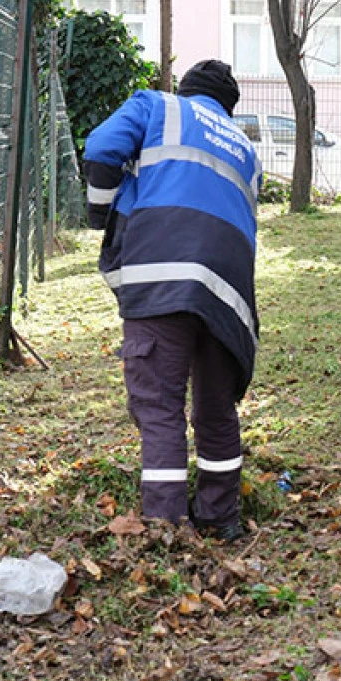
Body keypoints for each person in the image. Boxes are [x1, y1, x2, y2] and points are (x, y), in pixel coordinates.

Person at [83, 60, 260, 542]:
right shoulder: (245, 147)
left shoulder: (157, 106)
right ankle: (221, 519)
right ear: (228, 108)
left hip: (162, 276)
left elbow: (100, 147)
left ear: (185, 91)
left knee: (160, 405)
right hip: (229, 291)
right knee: (215, 408)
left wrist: (100, 215)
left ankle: (165, 526)